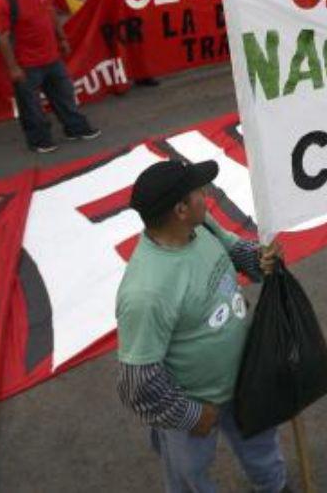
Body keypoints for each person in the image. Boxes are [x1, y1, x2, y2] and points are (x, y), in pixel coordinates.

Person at [115, 158, 287, 493]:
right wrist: (193, 415)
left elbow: (234, 249)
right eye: (198, 191)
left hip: (245, 379)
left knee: (263, 450)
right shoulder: (146, 293)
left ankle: (274, 486)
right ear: (180, 209)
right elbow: (137, 383)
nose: (206, 194)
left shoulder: (200, 225)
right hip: (195, 403)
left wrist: (260, 260)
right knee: (189, 476)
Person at [0, 0, 100, 154]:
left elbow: (51, 16)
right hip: (27, 65)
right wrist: (13, 68)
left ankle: (75, 128)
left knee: (65, 96)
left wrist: (62, 39)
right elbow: (2, 38)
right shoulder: (4, 3)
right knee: (31, 106)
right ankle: (39, 140)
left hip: (52, 59)